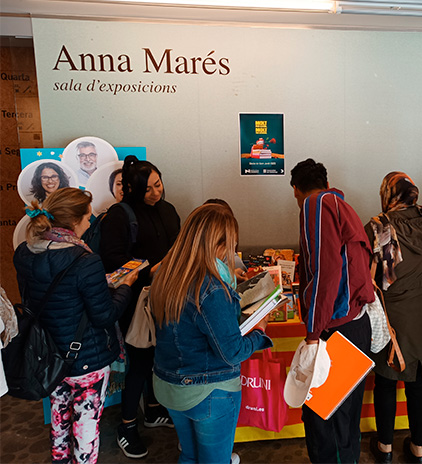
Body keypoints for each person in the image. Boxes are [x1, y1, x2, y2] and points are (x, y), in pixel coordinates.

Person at [13, 188, 137, 464]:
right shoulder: (85, 261)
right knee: (86, 431)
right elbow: (104, 316)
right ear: (75, 220)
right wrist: (125, 288)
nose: (91, 220)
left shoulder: (24, 252)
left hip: (48, 356)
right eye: (88, 215)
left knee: (60, 420)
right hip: (86, 361)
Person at [150, 203, 272, 463]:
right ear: (218, 244)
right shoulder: (212, 288)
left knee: (189, 454)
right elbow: (232, 352)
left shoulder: (166, 272)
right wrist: (259, 331)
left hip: (168, 384)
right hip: (208, 391)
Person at [290, 158, 374, 464]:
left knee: (324, 424)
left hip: (334, 332)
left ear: (296, 190)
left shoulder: (315, 204)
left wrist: (313, 333)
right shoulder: (339, 204)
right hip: (356, 326)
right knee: (345, 421)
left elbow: (326, 272)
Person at [100, 155, 181, 459]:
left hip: (166, 298)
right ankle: (127, 425)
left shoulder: (169, 210)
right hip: (134, 303)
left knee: (159, 357)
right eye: (148, 189)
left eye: (159, 185)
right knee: (139, 363)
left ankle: (154, 410)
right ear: (132, 189)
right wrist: (151, 270)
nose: (156, 193)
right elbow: (112, 264)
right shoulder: (120, 216)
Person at [365, 172, 422, 464]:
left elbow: (380, 276)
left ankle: (384, 449)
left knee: (387, 380)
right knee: (417, 381)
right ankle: (419, 451)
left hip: (392, 314)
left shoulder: (380, 225)